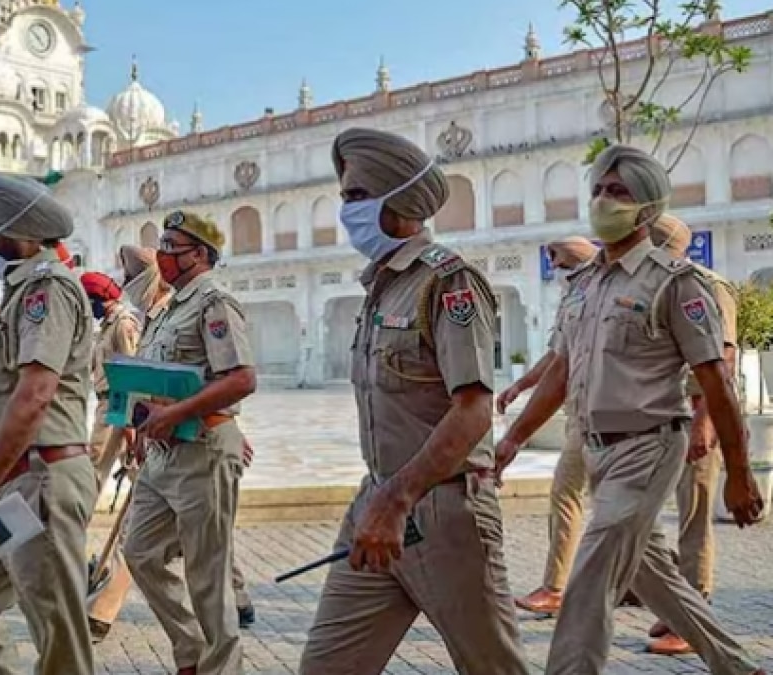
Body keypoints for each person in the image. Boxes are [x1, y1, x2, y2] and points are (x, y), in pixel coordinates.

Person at [495, 145, 765, 675]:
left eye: (617, 191)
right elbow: (560, 371)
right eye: (598, 189)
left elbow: (716, 379)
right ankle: (737, 666)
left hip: (649, 445)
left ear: (647, 207)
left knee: (591, 577)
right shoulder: (585, 283)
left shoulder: (676, 283)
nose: (602, 200)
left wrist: (739, 473)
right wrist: (512, 440)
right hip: (597, 450)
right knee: (649, 570)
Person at [297, 128, 529, 674]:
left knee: (493, 668)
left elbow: (473, 409)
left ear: (398, 202)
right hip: (377, 505)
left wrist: (398, 499)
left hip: (442, 513)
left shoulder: (448, 283)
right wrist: (383, 500)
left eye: (357, 197)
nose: (346, 210)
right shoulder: (382, 285)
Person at [0, 169, 97, 675]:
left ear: (17, 231)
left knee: (58, 638)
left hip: (40, 480)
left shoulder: (47, 289)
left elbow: (34, 396)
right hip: (12, 485)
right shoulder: (19, 291)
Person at [86, 246, 257, 644]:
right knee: (147, 549)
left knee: (206, 564)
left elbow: (234, 379)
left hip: (200, 442)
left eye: (133, 278)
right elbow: (145, 379)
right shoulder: (158, 316)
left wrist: (228, 429)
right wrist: (138, 428)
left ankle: (216, 652)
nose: (127, 285)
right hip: (156, 440)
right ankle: (195, 644)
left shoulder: (207, 304)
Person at [643, 213, 740, 656]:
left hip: (695, 412)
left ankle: (694, 614)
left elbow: (722, 358)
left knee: (694, 515)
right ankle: (678, 604)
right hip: (660, 414)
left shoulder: (706, 284)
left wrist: (705, 421)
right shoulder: (655, 282)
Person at [496, 236, 599, 615]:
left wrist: (515, 437)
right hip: (585, 415)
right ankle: (637, 583)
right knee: (620, 512)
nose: (554, 271)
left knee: (568, 496)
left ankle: (556, 588)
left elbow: (562, 368)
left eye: (560, 264)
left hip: (600, 417)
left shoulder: (594, 296)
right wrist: (522, 385)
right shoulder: (575, 297)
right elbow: (557, 357)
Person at [80, 270, 141, 489]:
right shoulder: (108, 326)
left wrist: (128, 420)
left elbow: (131, 373)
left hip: (116, 405)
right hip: (109, 404)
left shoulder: (123, 324)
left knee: (95, 467)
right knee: (135, 470)